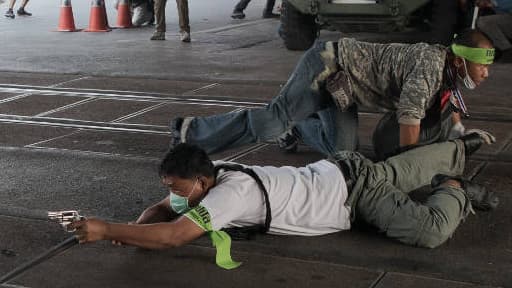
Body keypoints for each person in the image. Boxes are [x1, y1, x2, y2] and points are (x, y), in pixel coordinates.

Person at [71, 134, 498, 269]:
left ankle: (455, 189)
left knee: (427, 231)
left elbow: (175, 236)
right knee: (396, 173)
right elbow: (162, 212)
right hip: (340, 170)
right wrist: (136, 228)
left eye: (179, 188)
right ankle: (456, 150)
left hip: (354, 195)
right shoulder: (208, 171)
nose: (174, 195)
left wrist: (107, 228)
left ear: (201, 181)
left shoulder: (228, 195)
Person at [168, 29, 496, 160]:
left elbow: (449, 105)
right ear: (459, 59)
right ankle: (189, 133)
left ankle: (297, 127)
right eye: (482, 66)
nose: (486, 73)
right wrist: (407, 168)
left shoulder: (449, 72)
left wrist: (460, 134)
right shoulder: (429, 66)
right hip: (327, 66)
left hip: (344, 91)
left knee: (345, 153)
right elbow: (409, 119)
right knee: (270, 123)